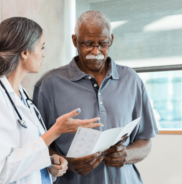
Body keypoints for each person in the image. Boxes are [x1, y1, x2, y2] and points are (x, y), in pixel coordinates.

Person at [0, 17, 102, 184]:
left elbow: (26, 157)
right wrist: (55, 131)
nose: (44, 53)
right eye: (41, 47)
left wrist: (50, 164)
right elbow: (2, 170)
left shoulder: (22, 96)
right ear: (25, 52)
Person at [33, 11, 159, 184]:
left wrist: (127, 155)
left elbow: (145, 141)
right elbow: (36, 146)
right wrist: (68, 163)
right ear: (75, 41)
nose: (96, 51)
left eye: (103, 44)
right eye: (87, 44)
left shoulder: (131, 80)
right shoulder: (49, 84)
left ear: (111, 40)